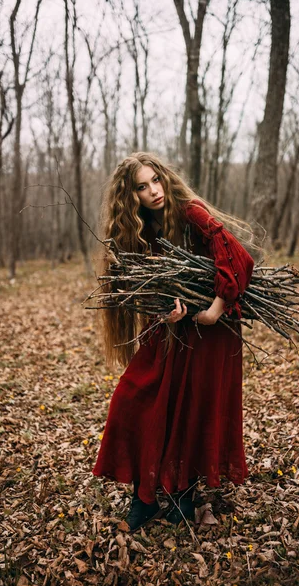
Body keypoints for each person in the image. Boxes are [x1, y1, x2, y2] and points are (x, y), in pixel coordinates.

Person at [92, 152, 255, 532]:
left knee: (190, 407)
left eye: (156, 181)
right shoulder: (139, 231)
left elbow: (239, 257)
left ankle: (180, 494)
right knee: (134, 396)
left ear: (165, 179)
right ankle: (146, 496)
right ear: (130, 196)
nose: (153, 191)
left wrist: (215, 307)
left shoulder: (190, 212)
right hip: (172, 328)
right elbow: (152, 289)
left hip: (213, 329)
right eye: (142, 187)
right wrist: (167, 309)